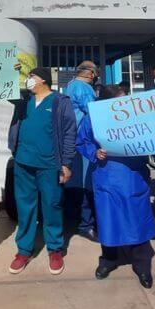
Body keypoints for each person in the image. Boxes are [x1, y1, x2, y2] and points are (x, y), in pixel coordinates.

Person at [76, 84, 155, 288]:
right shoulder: (93, 117)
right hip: (107, 176)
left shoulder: (136, 114)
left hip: (133, 175)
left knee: (137, 218)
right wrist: (95, 152)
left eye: (126, 98)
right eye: (120, 99)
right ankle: (109, 259)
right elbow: (82, 140)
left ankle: (142, 265)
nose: (125, 102)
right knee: (108, 219)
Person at [7, 67, 77, 275]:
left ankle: (55, 249)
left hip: (49, 164)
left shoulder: (59, 102)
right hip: (23, 162)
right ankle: (24, 250)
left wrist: (66, 163)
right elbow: (6, 89)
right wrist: (14, 73)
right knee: (25, 207)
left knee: (52, 205)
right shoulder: (23, 100)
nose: (28, 81)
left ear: (43, 80)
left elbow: (69, 132)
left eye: (31, 77)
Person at [63, 60, 99, 241]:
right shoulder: (84, 88)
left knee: (75, 181)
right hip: (84, 140)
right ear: (90, 73)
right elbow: (93, 110)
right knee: (86, 182)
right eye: (96, 74)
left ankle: (75, 219)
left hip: (71, 140)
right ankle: (86, 224)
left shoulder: (69, 86)